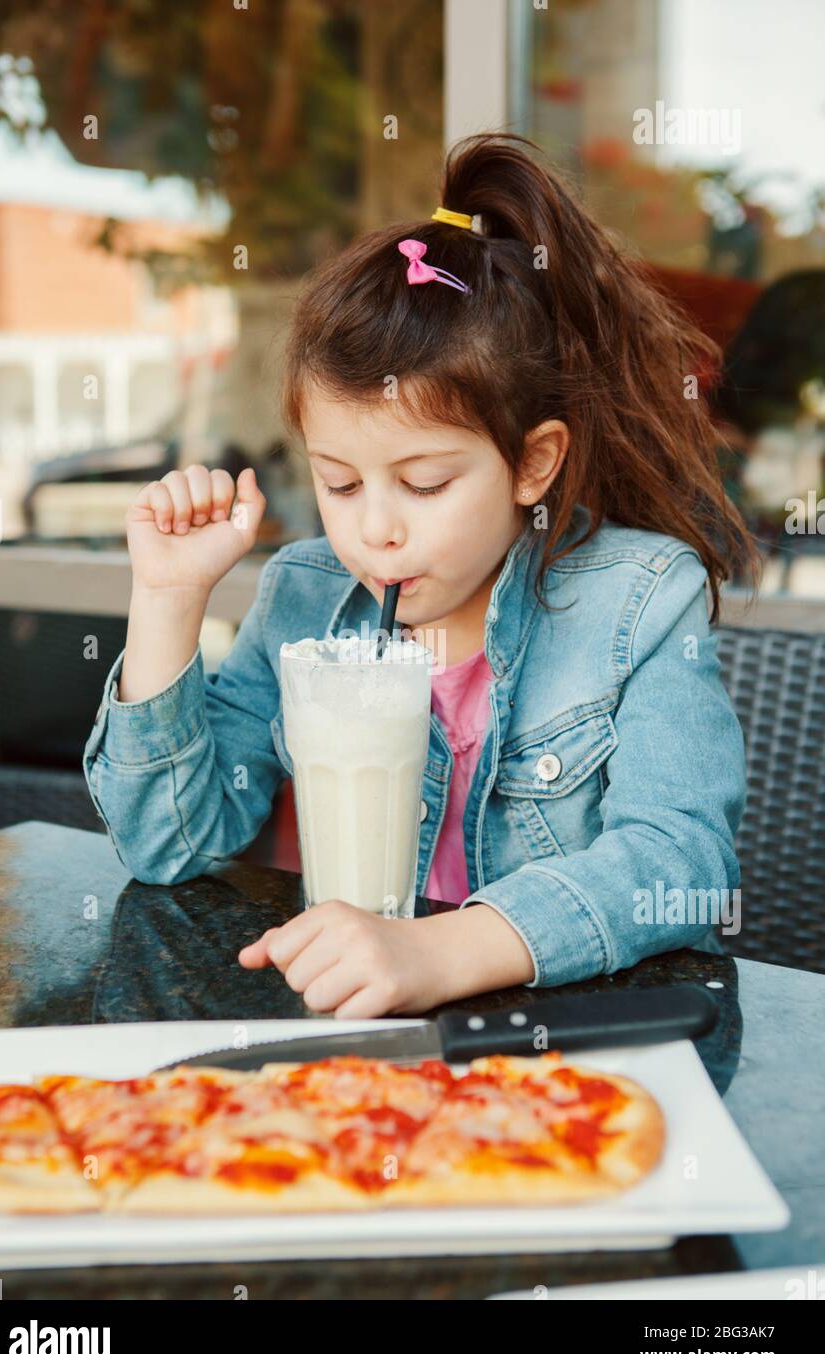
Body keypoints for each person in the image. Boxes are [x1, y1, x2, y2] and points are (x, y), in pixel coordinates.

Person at [83, 132, 761, 1018]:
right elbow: (167, 846)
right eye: (338, 482)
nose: (375, 532)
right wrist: (168, 604)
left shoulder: (638, 603)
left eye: (425, 483)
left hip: (544, 1061)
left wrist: (444, 950)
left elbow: (686, 864)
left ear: (534, 464)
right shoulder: (305, 598)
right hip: (338, 1051)